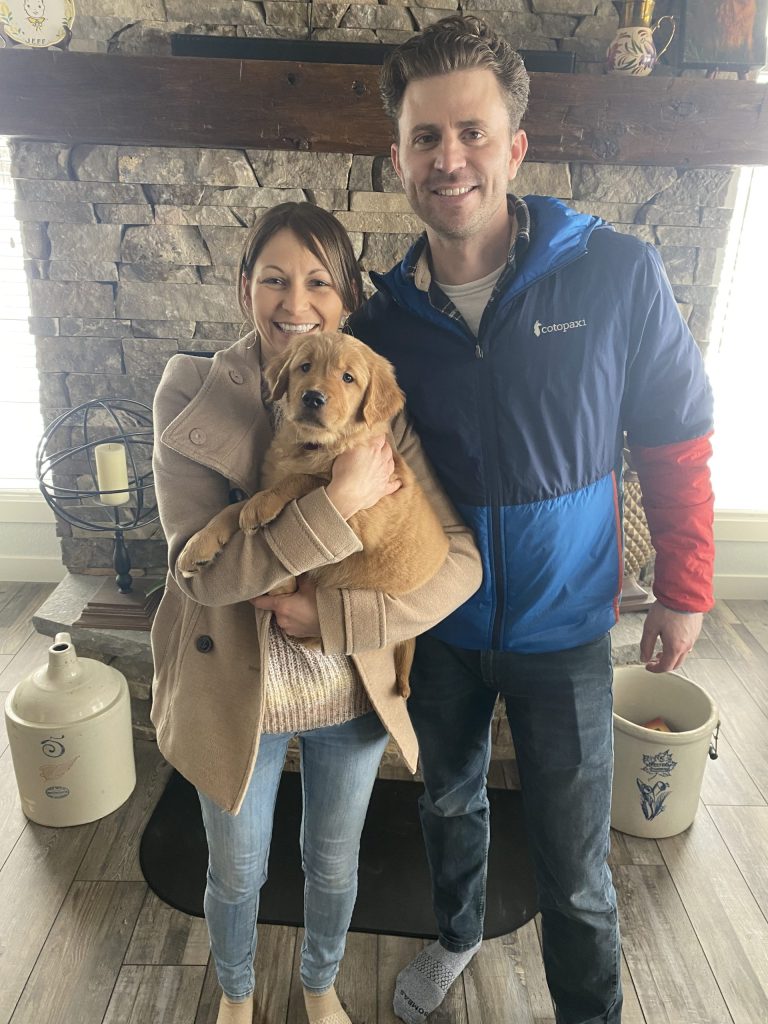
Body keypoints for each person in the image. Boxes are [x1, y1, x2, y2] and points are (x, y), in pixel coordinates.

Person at [348, 15, 715, 1024]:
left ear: (514, 148)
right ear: (398, 158)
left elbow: (676, 437)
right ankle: (457, 933)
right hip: (440, 627)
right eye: (426, 137)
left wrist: (684, 587)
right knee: (446, 802)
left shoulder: (617, 273)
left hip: (566, 633)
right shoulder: (378, 326)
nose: (449, 158)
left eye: (471, 133)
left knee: (576, 864)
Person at [150, 201, 482, 1024]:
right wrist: (335, 503)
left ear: (346, 301)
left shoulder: (376, 401)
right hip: (237, 691)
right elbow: (206, 577)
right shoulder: (189, 390)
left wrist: (333, 620)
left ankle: (320, 984)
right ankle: (236, 993)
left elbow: (460, 562)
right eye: (274, 279)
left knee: (333, 865)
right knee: (236, 869)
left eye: (318, 283)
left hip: (351, 684)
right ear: (244, 288)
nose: (294, 302)